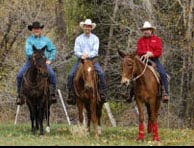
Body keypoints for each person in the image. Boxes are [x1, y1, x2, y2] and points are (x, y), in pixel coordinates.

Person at [66, 19, 107, 105]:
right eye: (86, 26)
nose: (87, 28)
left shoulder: (95, 38)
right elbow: (76, 50)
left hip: (92, 61)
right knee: (71, 75)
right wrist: (81, 56)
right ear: (83, 27)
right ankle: (71, 94)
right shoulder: (78, 38)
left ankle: (103, 93)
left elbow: (95, 51)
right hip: (81, 61)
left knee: (101, 73)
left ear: (91, 28)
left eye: (89, 26)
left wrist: (87, 55)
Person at [126, 21, 169, 103]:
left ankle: (165, 93)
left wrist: (151, 54)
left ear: (151, 30)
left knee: (163, 73)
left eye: (148, 29)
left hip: (154, 60)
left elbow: (159, 51)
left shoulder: (157, 40)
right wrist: (146, 53)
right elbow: (139, 51)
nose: (146, 31)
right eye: (144, 30)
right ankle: (130, 94)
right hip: (142, 60)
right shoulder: (140, 41)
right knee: (132, 73)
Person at [16, 21, 57, 105]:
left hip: (42, 62)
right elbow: (28, 51)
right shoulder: (29, 40)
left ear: (40, 29)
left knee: (52, 74)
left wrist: (50, 59)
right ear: (32, 30)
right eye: (34, 29)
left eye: (38, 29)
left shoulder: (46, 40)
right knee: (19, 75)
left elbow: (53, 49)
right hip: (31, 62)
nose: (36, 30)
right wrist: (34, 57)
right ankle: (20, 95)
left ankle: (53, 94)